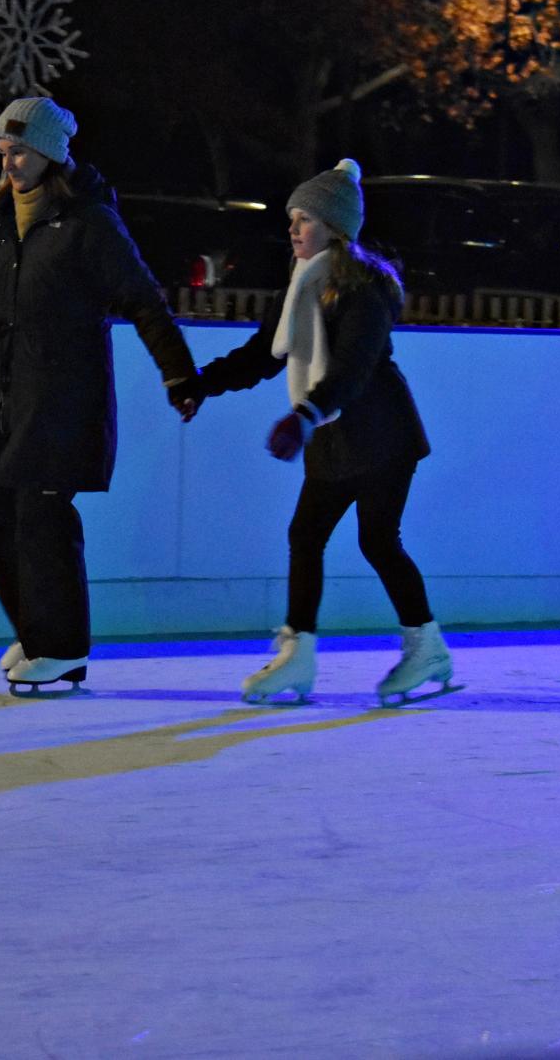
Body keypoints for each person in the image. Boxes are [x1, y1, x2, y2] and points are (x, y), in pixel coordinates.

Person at [0, 96, 202, 695]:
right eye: (5, 152)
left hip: (62, 393)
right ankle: (36, 631)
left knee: (42, 515)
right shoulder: (1, 218)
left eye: (22, 153)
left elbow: (143, 298)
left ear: (51, 156)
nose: (10, 165)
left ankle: (62, 648)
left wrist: (178, 374)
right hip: (4, 386)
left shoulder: (88, 222)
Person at [192, 158, 452, 706]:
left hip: (382, 435)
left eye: (304, 218)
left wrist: (304, 415)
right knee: (305, 536)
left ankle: (426, 648)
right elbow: (263, 355)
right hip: (332, 437)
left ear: (334, 226)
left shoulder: (367, 288)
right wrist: (201, 384)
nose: (292, 228)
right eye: (291, 217)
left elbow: (353, 367)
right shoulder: (302, 287)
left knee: (378, 541)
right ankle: (299, 655)